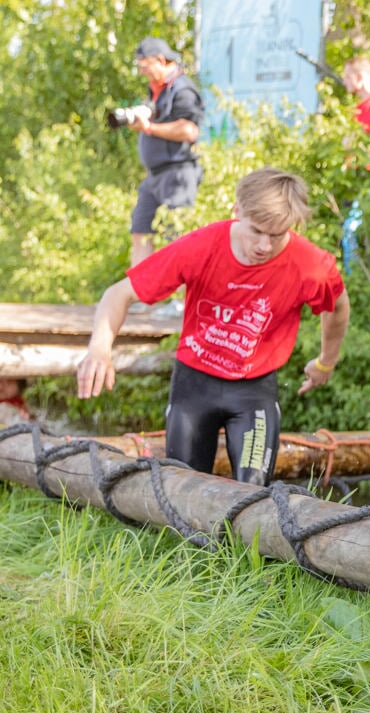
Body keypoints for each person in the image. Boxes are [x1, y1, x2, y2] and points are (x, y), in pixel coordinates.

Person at [77, 168, 350, 486]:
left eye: (277, 235)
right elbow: (118, 294)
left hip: (254, 389)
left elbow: (338, 306)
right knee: (181, 487)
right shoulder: (201, 246)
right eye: (256, 231)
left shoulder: (309, 265)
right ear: (237, 212)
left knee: (252, 493)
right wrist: (99, 348)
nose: (264, 246)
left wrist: (326, 362)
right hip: (195, 385)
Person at [128, 37, 204, 268]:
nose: (143, 72)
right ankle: (142, 297)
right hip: (154, 175)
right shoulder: (158, 90)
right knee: (141, 230)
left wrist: (149, 127)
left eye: (145, 66)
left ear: (160, 60)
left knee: (177, 236)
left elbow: (189, 130)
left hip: (178, 172)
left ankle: (182, 302)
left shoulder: (183, 90)